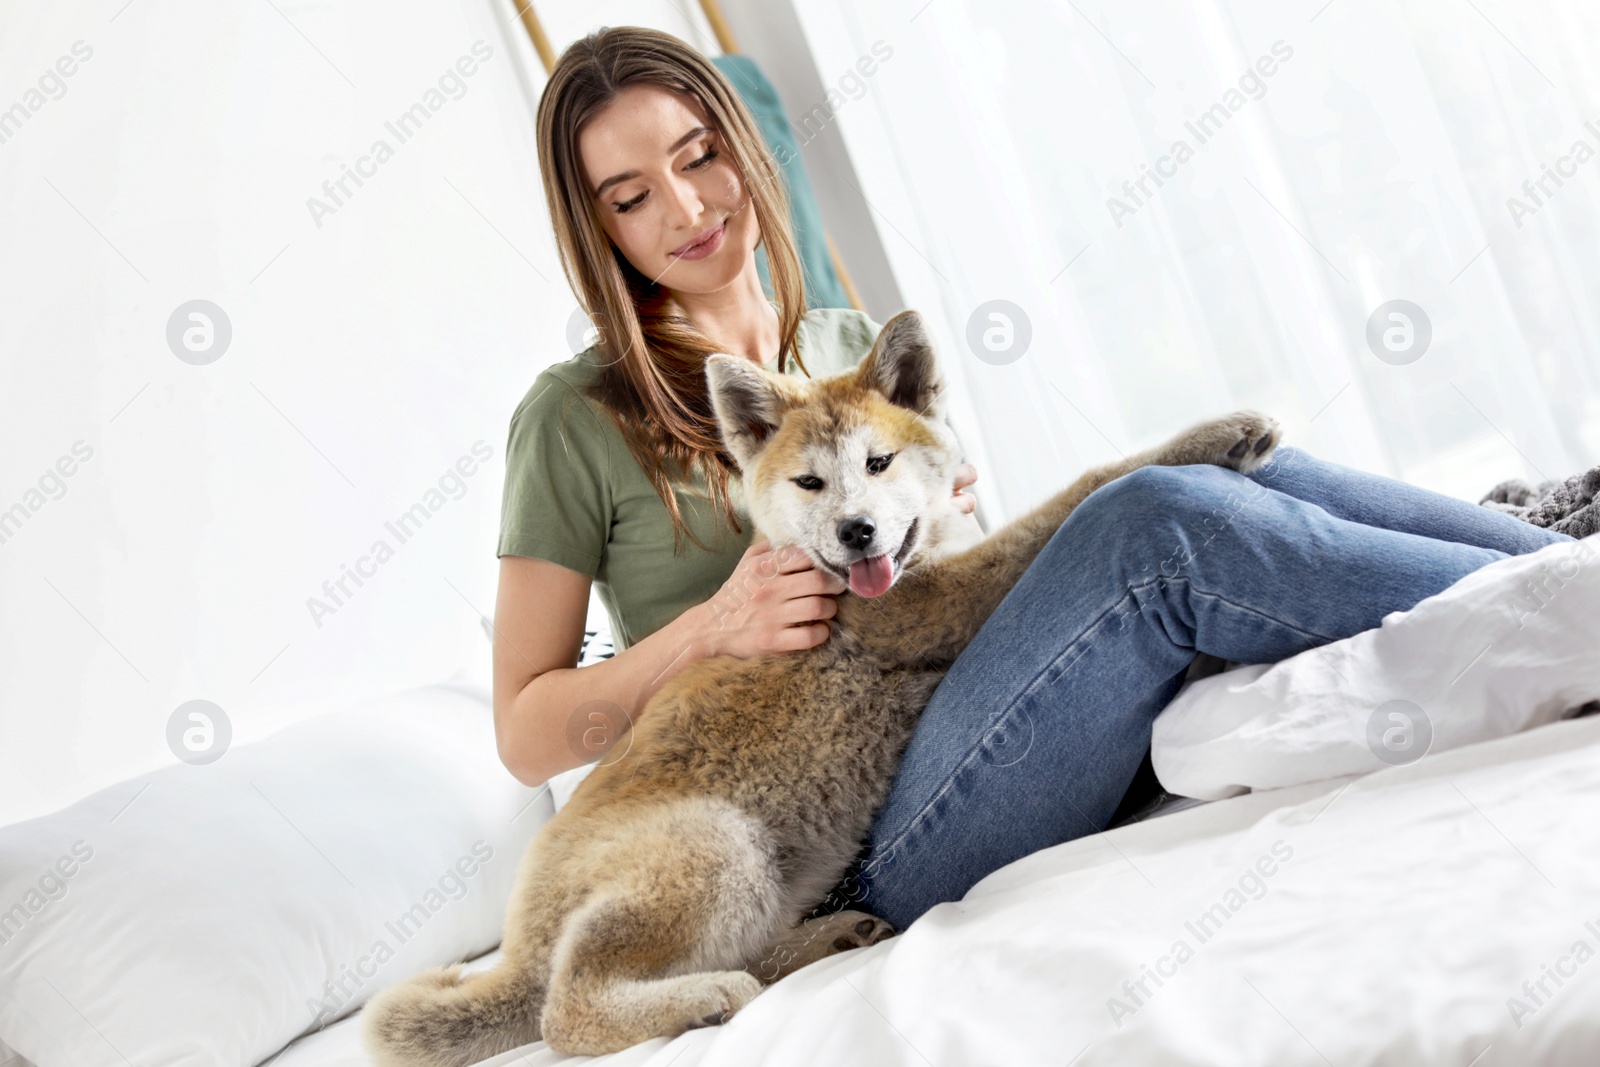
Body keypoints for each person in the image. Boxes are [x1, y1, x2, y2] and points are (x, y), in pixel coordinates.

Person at [492, 26, 1578, 936]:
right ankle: (1570, 599)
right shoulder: (572, 418)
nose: (685, 209)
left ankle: (1560, 568)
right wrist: (709, 626)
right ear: (598, 230)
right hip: (836, 842)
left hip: (956, 720)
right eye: (632, 196)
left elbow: (941, 596)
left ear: (740, 146)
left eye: (697, 156)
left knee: (1241, 467)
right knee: (1160, 519)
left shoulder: (843, 341)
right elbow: (526, 731)